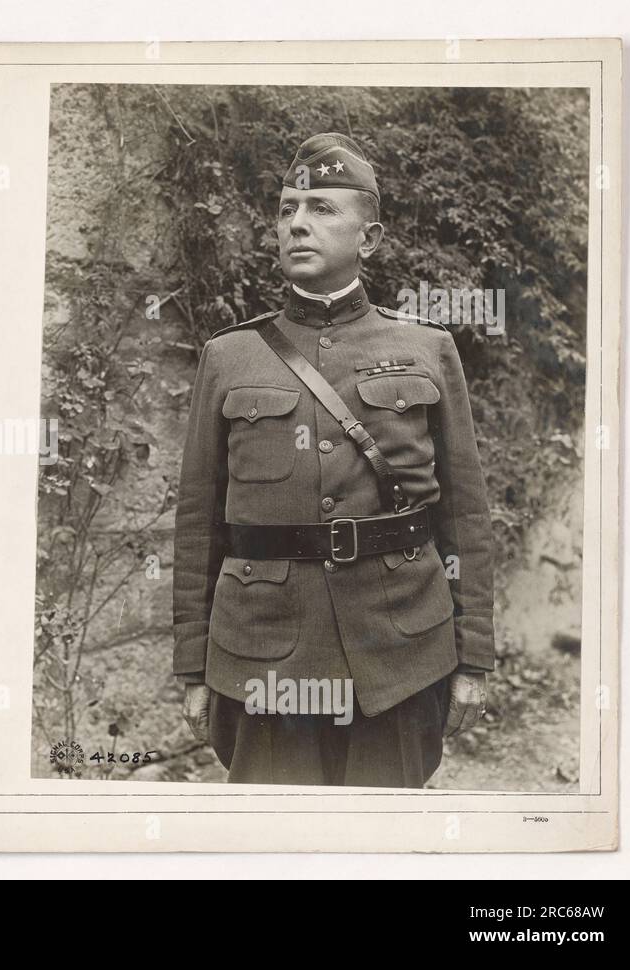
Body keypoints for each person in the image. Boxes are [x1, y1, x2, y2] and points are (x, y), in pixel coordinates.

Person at [172, 132, 495, 787]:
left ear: (368, 239)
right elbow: (197, 523)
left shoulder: (427, 350)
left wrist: (476, 657)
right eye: (288, 208)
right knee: (273, 848)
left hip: (400, 650)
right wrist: (190, 666)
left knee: (384, 849)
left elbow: (465, 514)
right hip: (264, 656)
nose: (297, 223)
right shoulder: (227, 357)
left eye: (321, 209)